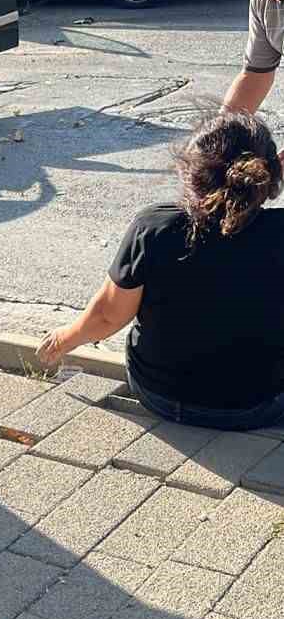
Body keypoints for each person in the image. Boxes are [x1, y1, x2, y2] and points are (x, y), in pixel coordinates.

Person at [38, 111, 284, 431]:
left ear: (190, 173)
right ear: (267, 177)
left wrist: (61, 339)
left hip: (160, 394)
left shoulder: (155, 226)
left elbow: (106, 318)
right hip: (256, 405)